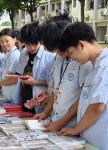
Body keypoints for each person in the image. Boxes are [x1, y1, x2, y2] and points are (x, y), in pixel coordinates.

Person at [33, 14, 92, 132]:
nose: (55, 52)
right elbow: (56, 90)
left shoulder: (83, 61)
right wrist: (45, 113)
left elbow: (82, 98)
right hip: (55, 121)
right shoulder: (58, 58)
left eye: (56, 48)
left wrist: (61, 123)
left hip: (72, 125)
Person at [58, 22, 108, 150]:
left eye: (71, 52)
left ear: (81, 45)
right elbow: (85, 98)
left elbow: (97, 106)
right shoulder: (95, 65)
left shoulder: (104, 66)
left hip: (101, 141)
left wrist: (76, 129)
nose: (72, 58)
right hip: (91, 139)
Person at [15, 22, 55, 114]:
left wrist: (34, 82)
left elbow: (54, 84)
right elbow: (20, 73)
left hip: (40, 102)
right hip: (25, 98)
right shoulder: (23, 53)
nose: (32, 48)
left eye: (35, 44)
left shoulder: (50, 56)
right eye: (28, 45)